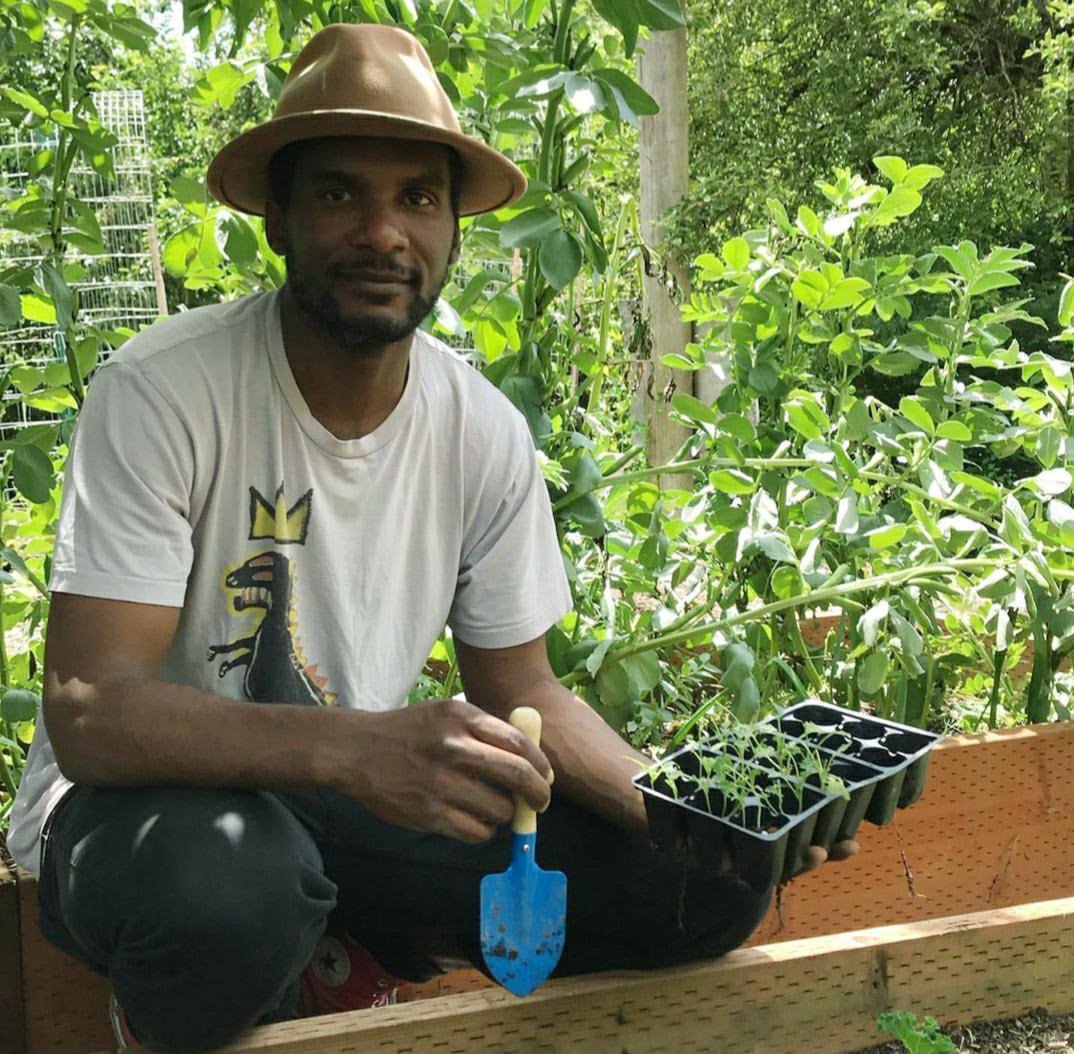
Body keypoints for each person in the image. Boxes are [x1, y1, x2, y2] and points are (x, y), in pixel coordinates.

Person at [6, 22, 850, 1053]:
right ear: (277, 216)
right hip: (145, 816)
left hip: (345, 798)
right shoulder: (164, 392)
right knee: (228, 889)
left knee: (701, 887)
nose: (382, 232)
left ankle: (347, 945)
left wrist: (685, 813)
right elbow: (94, 713)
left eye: (416, 197)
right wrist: (359, 749)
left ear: (453, 228)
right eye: (338, 194)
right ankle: (195, 1001)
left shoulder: (478, 427)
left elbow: (524, 691)